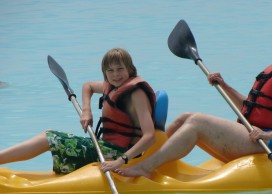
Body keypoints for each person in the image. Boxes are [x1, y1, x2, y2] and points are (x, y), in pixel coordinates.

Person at [116, 22, 272, 179]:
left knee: (197, 123)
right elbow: (251, 108)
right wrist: (224, 85)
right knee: (185, 117)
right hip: (257, 133)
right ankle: (145, 157)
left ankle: (146, 167)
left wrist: (269, 136)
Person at [0, 48, 156, 174]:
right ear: (105, 73)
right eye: (110, 70)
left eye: (120, 69)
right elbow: (87, 86)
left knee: (49, 137)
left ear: (129, 69)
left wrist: (120, 161)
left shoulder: (136, 94)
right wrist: (86, 110)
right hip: (106, 146)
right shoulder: (114, 86)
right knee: (48, 134)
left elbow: (149, 136)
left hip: (119, 153)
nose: (115, 74)